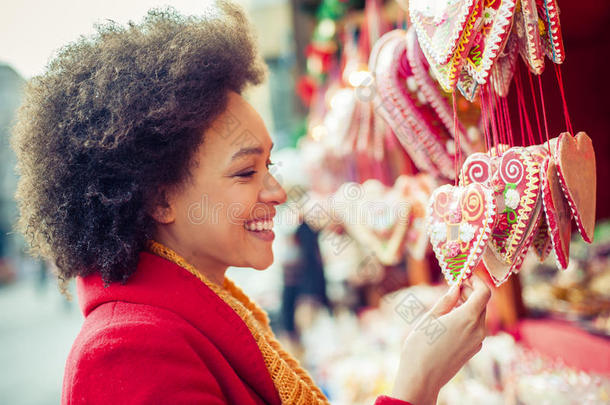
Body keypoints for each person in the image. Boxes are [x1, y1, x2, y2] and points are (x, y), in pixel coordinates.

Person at [11, 1, 491, 404]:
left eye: (270, 166)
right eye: (246, 172)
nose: (277, 193)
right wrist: (414, 384)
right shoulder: (127, 351)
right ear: (160, 198)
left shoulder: (204, 306)